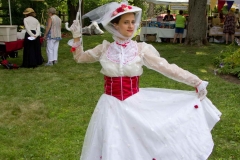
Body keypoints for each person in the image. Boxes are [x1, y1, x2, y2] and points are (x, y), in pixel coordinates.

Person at [68, 2, 221, 160]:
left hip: (134, 103)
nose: (131, 26)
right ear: (115, 25)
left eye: (133, 22)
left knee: (138, 144)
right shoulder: (105, 48)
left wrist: (195, 81)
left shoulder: (140, 49)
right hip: (109, 106)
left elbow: (166, 67)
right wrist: (76, 36)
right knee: (112, 143)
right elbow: (80, 57)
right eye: (126, 22)